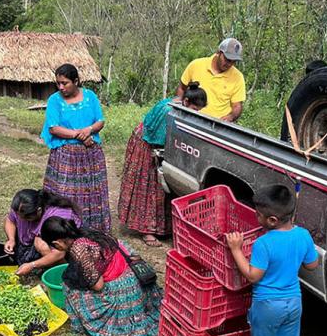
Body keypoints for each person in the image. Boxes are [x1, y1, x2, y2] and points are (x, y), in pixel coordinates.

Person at [226, 185, 319, 336]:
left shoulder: (264, 243)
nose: (256, 217)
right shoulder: (303, 235)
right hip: (293, 302)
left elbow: (252, 275)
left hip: (267, 305)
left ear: (272, 220)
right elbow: (312, 265)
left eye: (258, 215)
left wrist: (236, 249)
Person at [40, 217, 162, 336]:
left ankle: (86, 326)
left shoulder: (79, 249)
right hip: (135, 277)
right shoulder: (86, 231)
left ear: (57, 243)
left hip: (123, 290)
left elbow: (98, 286)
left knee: (70, 288)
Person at [118, 83, 208, 247]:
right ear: (186, 101)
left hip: (157, 146)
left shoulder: (181, 107)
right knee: (149, 187)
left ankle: (161, 227)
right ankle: (147, 230)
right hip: (147, 145)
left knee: (161, 189)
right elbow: (158, 140)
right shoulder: (168, 110)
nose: (196, 113)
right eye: (195, 109)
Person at [41, 63, 111, 232]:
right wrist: (79, 135)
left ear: (76, 81)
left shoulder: (90, 97)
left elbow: (100, 121)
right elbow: (53, 128)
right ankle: (63, 229)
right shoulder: (54, 100)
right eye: (58, 83)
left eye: (65, 83)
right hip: (65, 156)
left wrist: (89, 130)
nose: (61, 87)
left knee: (92, 191)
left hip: (90, 154)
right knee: (65, 192)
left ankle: (93, 228)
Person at [4, 189, 82, 276]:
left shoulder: (55, 218)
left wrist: (32, 265)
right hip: (30, 244)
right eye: (18, 216)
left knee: (40, 243)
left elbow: (59, 252)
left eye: (27, 218)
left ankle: (64, 273)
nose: (21, 219)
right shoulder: (21, 210)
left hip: (61, 249)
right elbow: (10, 220)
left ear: (39, 210)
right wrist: (11, 239)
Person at [175, 38, 246, 122]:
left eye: (233, 62)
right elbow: (182, 88)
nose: (229, 64)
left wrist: (231, 116)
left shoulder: (237, 77)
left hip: (217, 124)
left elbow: (237, 106)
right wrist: (179, 104)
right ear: (219, 52)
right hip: (191, 118)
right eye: (227, 59)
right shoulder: (196, 65)